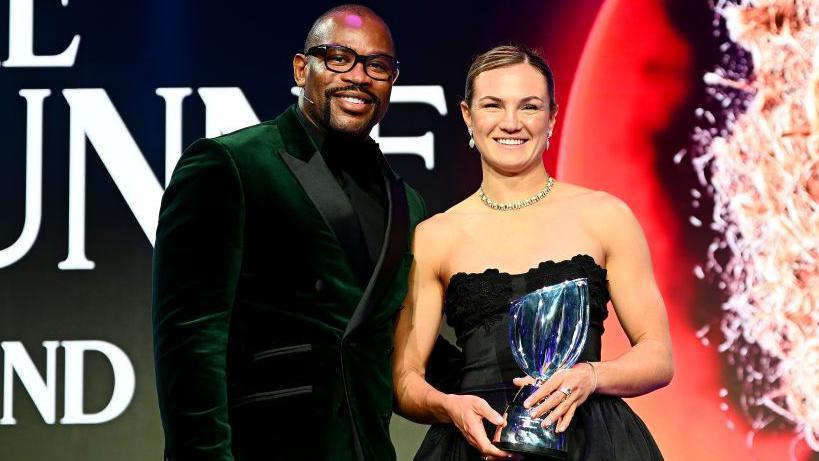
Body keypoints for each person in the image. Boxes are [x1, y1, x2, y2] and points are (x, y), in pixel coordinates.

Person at [152, 5, 427, 460]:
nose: (359, 76)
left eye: (378, 65)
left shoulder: (405, 202)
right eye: (339, 57)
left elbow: (399, 336)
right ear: (302, 68)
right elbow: (191, 339)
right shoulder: (232, 165)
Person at [392, 45, 674, 461]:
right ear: (468, 116)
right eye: (493, 105)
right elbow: (404, 380)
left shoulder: (604, 216)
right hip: (476, 444)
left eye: (529, 107)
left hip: (591, 444)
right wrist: (449, 406)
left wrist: (591, 376)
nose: (511, 123)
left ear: (552, 119)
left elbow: (658, 355)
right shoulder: (436, 235)